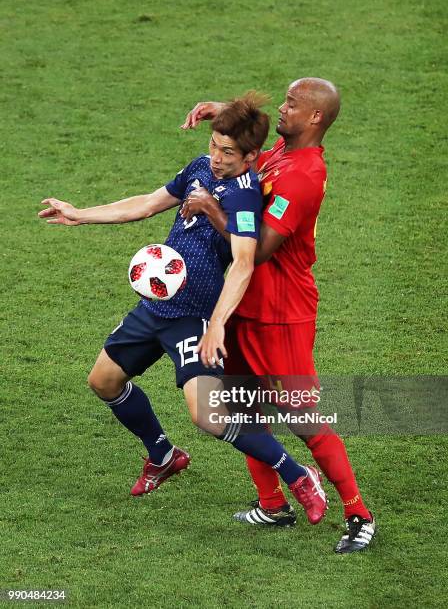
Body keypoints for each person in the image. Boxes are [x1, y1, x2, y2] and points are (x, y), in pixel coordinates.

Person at [38, 92, 328, 525]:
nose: (216, 157)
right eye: (214, 146)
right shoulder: (198, 168)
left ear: (252, 156)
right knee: (103, 381)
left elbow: (244, 262)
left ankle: (297, 474)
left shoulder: (244, 198)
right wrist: (81, 214)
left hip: (193, 316)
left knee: (207, 415)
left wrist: (217, 327)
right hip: (158, 302)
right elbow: (149, 203)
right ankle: (163, 454)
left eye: (227, 152)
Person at [180, 78, 376, 553]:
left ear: (314, 118)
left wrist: (211, 210)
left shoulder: (303, 175)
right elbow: (254, 138)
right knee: (242, 404)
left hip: (281, 312)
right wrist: (223, 108)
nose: (283, 109)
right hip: (243, 302)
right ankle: (272, 504)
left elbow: (262, 249)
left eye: (292, 104)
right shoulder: (280, 152)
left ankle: (358, 514)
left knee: (303, 417)